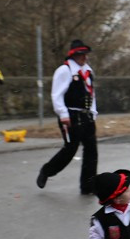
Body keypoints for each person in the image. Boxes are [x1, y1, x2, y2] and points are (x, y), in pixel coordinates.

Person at [36, 39, 99, 193]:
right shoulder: (64, 71)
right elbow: (56, 95)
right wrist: (63, 114)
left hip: (86, 116)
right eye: (80, 54)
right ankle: (47, 170)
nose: (84, 57)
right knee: (71, 149)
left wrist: (93, 112)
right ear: (73, 55)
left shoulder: (88, 71)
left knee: (91, 150)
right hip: (71, 115)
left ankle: (88, 185)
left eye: (85, 54)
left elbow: (91, 94)